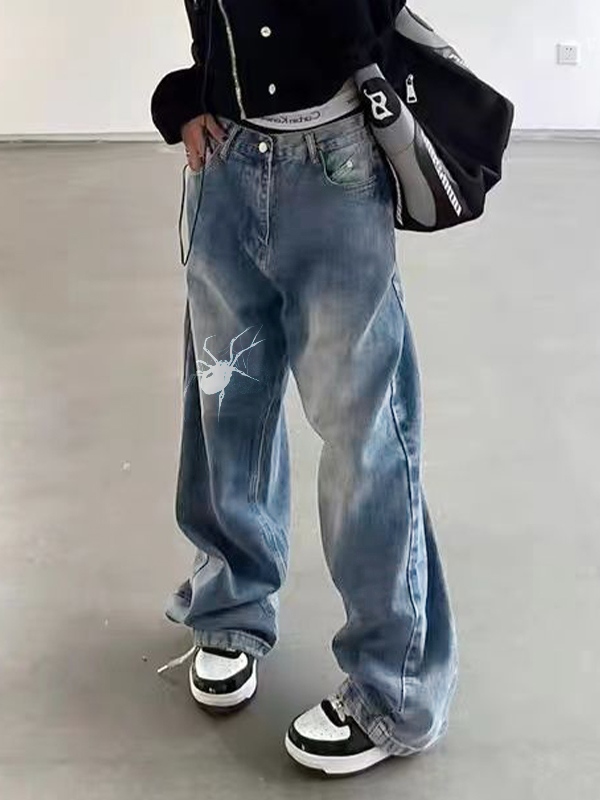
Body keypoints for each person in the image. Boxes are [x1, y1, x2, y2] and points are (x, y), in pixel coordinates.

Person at [151, 0, 458, 777]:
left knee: (364, 434)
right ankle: (231, 606)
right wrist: (190, 93)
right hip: (225, 159)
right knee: (227, 402)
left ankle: (395, 690)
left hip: (337, 160)